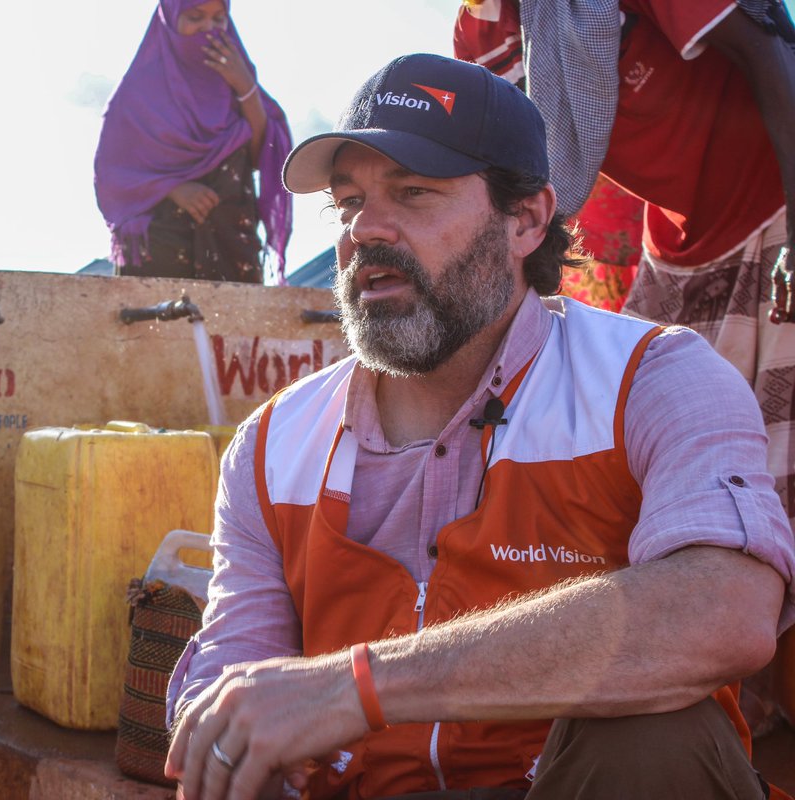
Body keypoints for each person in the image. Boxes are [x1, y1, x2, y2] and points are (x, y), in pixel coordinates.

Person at [163, 54, 795, 800]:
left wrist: (359, 687)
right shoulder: (274, 445)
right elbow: (230, 681)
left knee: (654, 732)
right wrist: (235, 739)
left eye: (414, 192)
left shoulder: (653, 379)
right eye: (349, 202)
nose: (365, 229)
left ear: (525, 220)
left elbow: (723, 612)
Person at [458, 0, 795, 524]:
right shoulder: (477, 32)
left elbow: (769, 50)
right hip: (676, 247)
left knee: (776, 475)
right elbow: (500, 184)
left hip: (774, 205)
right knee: (650, 457)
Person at [453, 1, 645, 313]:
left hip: (643, 191)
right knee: (587, 339)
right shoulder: (472, 26)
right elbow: (484, 144)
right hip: (562, 226)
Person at [93, 0, 292, 284]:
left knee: (235, 329)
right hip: (160, 256)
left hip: (233, 251)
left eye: (219, 19)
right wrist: (173, 188)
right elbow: (111, 177)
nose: (208, 29)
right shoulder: (136, 95)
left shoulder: (239, 83)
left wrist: (245, 87)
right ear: (171, 20)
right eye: (195, 17)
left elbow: (266, 157)